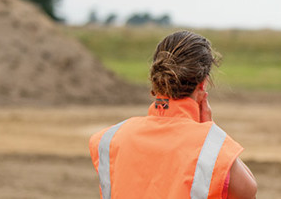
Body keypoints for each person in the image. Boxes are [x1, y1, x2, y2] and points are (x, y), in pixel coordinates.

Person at [89, 31, 257, 199]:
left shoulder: (111, 139)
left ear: (156, 78)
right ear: (203, 83)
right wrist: (211, 129)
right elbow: (248, 191)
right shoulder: (211, 149)